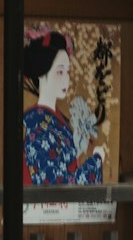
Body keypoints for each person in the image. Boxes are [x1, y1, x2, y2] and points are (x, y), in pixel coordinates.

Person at [22, 27, 106, 185]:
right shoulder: (35, 122)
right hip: (47, 208)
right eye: (60, 72)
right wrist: (96, 160)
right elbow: (56, 183)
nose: (66, 80)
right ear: (41, 73)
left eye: (68, 72)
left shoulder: (54, 117)